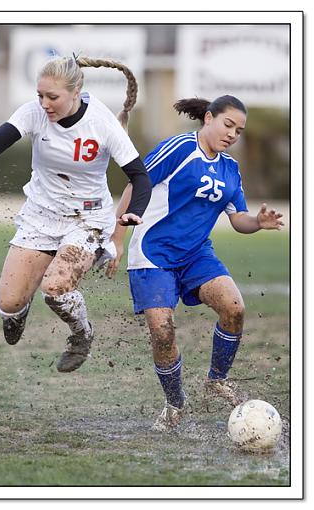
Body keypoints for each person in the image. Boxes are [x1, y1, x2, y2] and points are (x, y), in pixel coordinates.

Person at [0, 55, 152, 373]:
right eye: (40, 95)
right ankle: (19, 311)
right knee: (8, 303)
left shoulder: (101, 123)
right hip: (41, 215)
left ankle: (81, 335)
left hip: (86, 220)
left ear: (76, 92)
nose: (45, 103)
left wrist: (133, 214)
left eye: (53, 97)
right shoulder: (35, 112)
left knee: (56, 287)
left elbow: (140, 177)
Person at [107, 95, 284, 431]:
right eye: (228, 124)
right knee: (163, 334)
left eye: (239, 131)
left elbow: (238, 219)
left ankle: (216, 379)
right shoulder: (178, 148)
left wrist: (258, 222)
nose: (232, 134)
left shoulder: (230, 168)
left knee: (234, 307)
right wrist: (117, 237)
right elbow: (136, 184)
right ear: (208, 118)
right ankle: (175, 404)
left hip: (197, 255)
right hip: (153, 254)